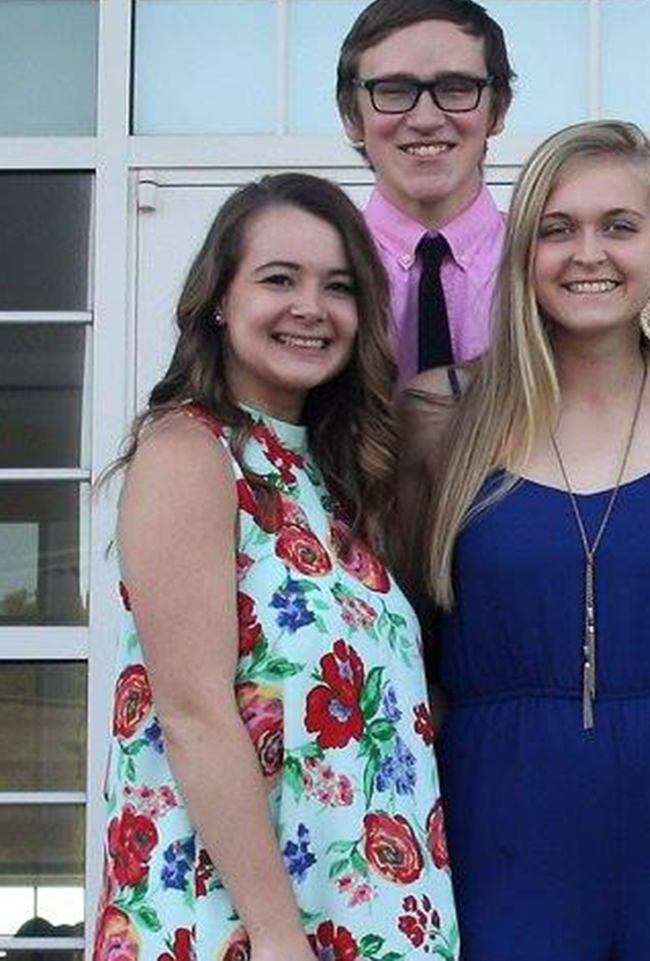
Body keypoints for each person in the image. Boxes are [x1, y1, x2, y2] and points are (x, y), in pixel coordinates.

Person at [400, 120, 650, 960]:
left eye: (620, 226)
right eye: (558, 229)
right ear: (523, 253)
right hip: (500, 811)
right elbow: (403, 636)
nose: (589, 253)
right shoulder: (439, 411)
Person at [97, 174, 458, 961]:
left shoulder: (335, 475)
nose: (310, 307)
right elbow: (192, 712)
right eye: (279, 279)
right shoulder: (192, 452)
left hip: (365, 910)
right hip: (244, 924)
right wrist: (275, 932)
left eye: (338, 286)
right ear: (219, 301)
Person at [337, 0, 514, 384]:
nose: (425, 119)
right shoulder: (314, 269)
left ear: (499, 108)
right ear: (351, 116)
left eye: (456, 89)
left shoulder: (545, 263)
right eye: (393, 91)